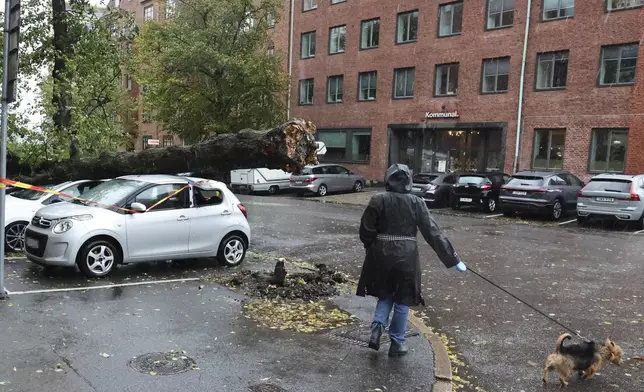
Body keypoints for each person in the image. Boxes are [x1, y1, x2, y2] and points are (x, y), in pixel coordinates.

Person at [356, 163, 467, 357]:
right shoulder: (417, 202)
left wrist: (372, 248)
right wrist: (453, 258)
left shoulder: (377, 200)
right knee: (403, 298)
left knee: (385, 293)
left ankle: (377, 327)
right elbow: (432, 233)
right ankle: (397, 342)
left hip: (381, 253)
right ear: (408, 180)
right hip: (407, 256)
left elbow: (366, 230)